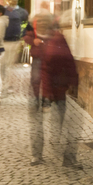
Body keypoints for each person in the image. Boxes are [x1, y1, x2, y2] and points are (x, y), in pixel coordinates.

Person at [27, 12, 80, 168]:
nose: (42, 24)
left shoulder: (57, 38)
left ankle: (65, 157)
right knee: (37, 123)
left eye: (44, 22)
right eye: (39, 22)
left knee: (61, 123)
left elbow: (68, 61)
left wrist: (73, 82)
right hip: (39, 88)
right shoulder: (36, 41)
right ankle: (37, 155)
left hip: (56, 88)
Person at [1, 0, 29, 82]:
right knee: (2, 62)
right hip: (3, 40)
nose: (10, 2)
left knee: (10, 63)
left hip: (15, 41)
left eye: (12, 0)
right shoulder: (3, 10)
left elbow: (27, 24)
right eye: (9, 0)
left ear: (16, 1)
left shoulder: (22, 12)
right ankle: (2, 80)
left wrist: (23, 35)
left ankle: (8, 82)